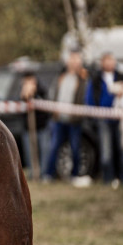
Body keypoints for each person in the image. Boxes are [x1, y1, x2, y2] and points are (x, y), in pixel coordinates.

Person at [43, 49, 87, 184]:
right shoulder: (61, 77)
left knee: (75, 147)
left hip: (74, 120)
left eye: (76, 59)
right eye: (71, 59)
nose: (73, 62)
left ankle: (75, 176)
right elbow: (54, 95)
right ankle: (48, 175)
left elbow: (83, 98)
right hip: (59, 120)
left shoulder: (83, 79)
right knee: (54, 147)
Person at [86, 52, 123, 187]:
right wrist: (94, 114)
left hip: (120, 119)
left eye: (112, 60)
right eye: (107, 61)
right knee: (106, 152)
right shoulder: (96, 79)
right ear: (102, 63)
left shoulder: (122, 78)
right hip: (103, 120)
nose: (110, 63)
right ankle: (108, 179)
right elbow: (89, 99)